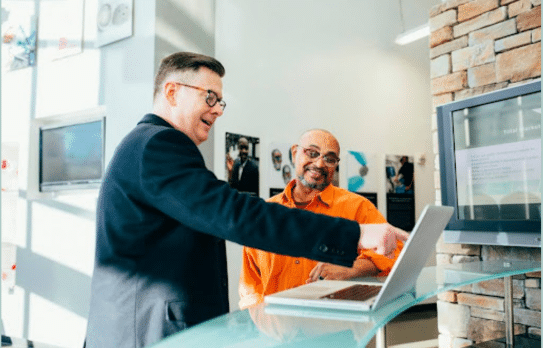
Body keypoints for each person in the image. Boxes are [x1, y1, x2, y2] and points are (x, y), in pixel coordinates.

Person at [85, 52, 409, 348]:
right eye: (209, 96)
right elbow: (237, 215)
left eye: (220, 102)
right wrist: (357, 234)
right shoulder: (159, 145)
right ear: (171, 92)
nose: (216, 109)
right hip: (149, 334)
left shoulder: (147, 145)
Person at [239, 130, 403, 309]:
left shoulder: (358, 207)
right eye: (312, 153)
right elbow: (250, 287)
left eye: (330, 158)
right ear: (295, 154)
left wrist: (351, 268)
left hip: (336, 327)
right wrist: (261, 325)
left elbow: (396, 251)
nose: (319, 163)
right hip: (277, 329)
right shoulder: (264, 215)